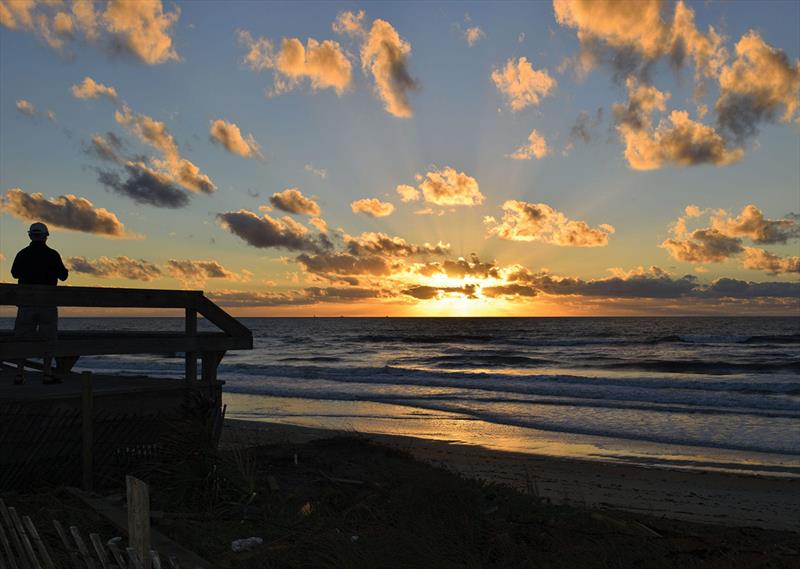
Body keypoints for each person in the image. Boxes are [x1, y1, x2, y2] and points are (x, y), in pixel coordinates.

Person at [10, 222, 69, 384]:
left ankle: (19, 373)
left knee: (22, 338)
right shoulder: (52, 254)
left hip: (26, 304)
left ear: (30, 235)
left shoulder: (22, 254)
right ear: (45, 236)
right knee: (48, 339)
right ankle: (47, 373)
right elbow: (63, 276)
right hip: (47, 304)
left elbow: (14, 273)